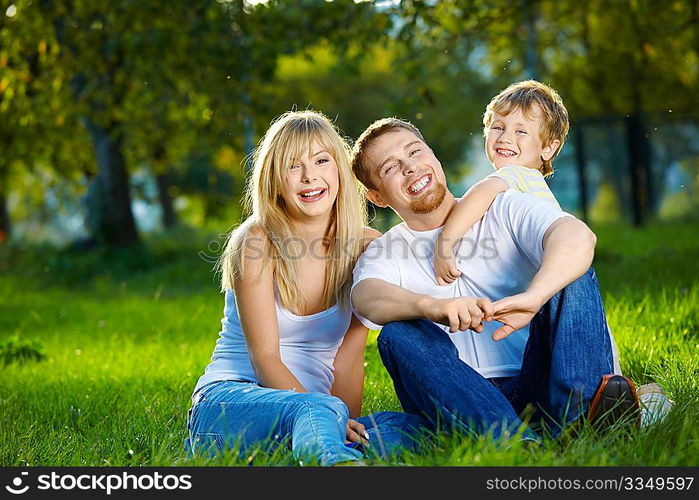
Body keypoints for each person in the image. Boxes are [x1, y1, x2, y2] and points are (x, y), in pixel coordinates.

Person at [348, 114, 640, 441]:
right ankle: (517, 442)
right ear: (377, 196)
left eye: (415, 152)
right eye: (390, 168)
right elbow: (366, 297)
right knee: (397, 334)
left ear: (432, 154)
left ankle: (579, 417)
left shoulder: (503, 207)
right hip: (461, 398)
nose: (410, 167)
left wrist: (535, 297)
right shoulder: (385, 250)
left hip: (542, 379)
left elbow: (578, 237)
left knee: (570, 270)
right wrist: (431, 307)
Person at [186, 110, 425, 466]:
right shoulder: (256, 241)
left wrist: (344, 422)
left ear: (339, 171)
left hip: (315, 418)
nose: (310, 176)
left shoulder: (367, 248)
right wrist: (327, 413)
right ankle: (336, 463)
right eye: (293, 166)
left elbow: (347, 361)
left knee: (415, 427)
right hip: (229, 405)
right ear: (275, 180)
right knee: (322, 413)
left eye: (321, 160)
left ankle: (324, 447)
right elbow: (265, 359)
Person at [434, 80, 566, 286]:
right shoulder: (530, 185)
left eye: (520, 131)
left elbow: (482, 192)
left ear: (548, 148)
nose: (505, 138)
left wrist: (444, 245)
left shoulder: (520, 175)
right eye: (498, 127)